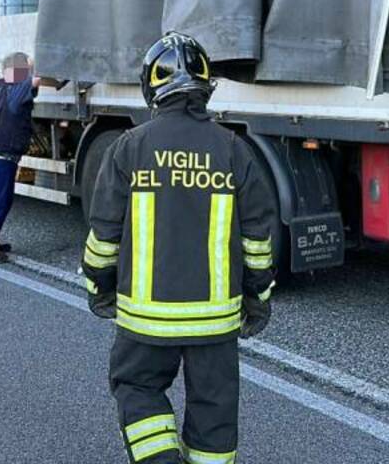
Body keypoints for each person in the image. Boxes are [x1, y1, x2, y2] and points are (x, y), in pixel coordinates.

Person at [82, 32, 277, 464]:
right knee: (215, 410)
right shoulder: (233, 149)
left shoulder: (129, 148)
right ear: (205, 87)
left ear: (152, 87)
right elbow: (258, 241)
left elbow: (104, 237)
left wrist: (100, 287)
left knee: (137, 388)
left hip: (145, 319)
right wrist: (257, 299)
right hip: (216, 321)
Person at [0, 51, 39, 263]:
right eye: (25, 69)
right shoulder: (15, 89)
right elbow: (36, 78)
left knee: (0, 202)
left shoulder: (3, 86)